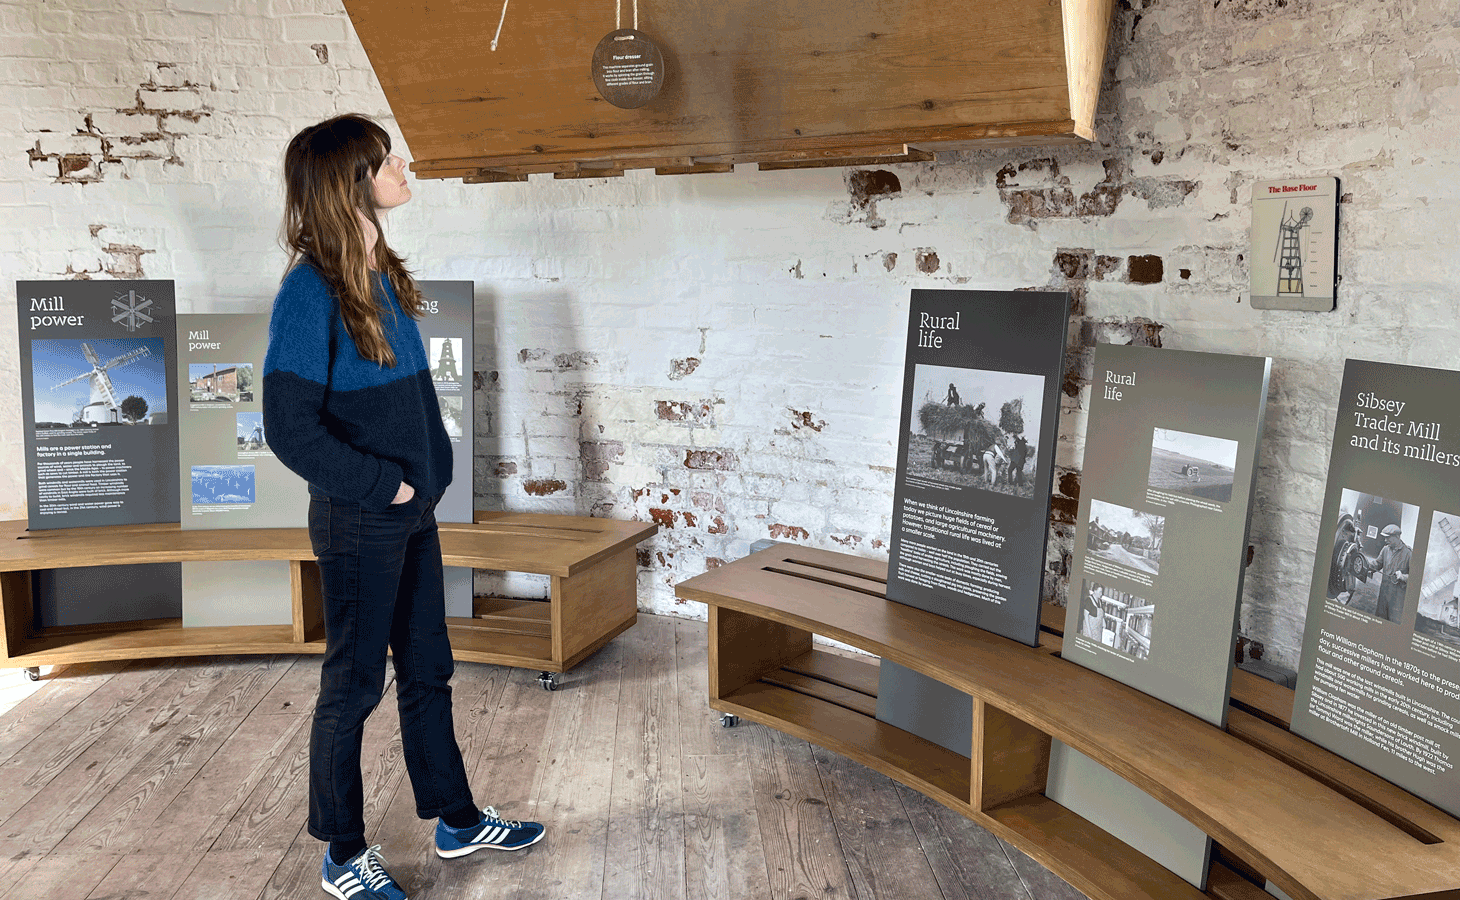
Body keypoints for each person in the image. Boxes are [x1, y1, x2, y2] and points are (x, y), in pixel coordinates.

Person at [263, 114, 544, 900]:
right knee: (353, 684)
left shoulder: (377, 271)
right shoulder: (308, 291)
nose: (404, 166)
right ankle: (343, 854)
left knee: (429, 668)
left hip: (411, 513)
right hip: (361, 518)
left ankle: (455, 822)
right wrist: (382, 485)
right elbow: (289, 429)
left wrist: (428, 475)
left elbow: (407, 403)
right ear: (352, 182)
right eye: (387, 160)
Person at [1373, 523, 1411, 623]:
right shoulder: (1385, 549)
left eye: (1388, 538)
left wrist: (1403, 576)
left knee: (1393, 622)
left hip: (1397, 598)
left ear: (1397, 537)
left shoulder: (1408, 554)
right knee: (1380, 619)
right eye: (1385, 538)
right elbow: (1377, 564)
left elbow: (1415, 578)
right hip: (1383, 593)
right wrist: (1363, 564)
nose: (1385, 540)